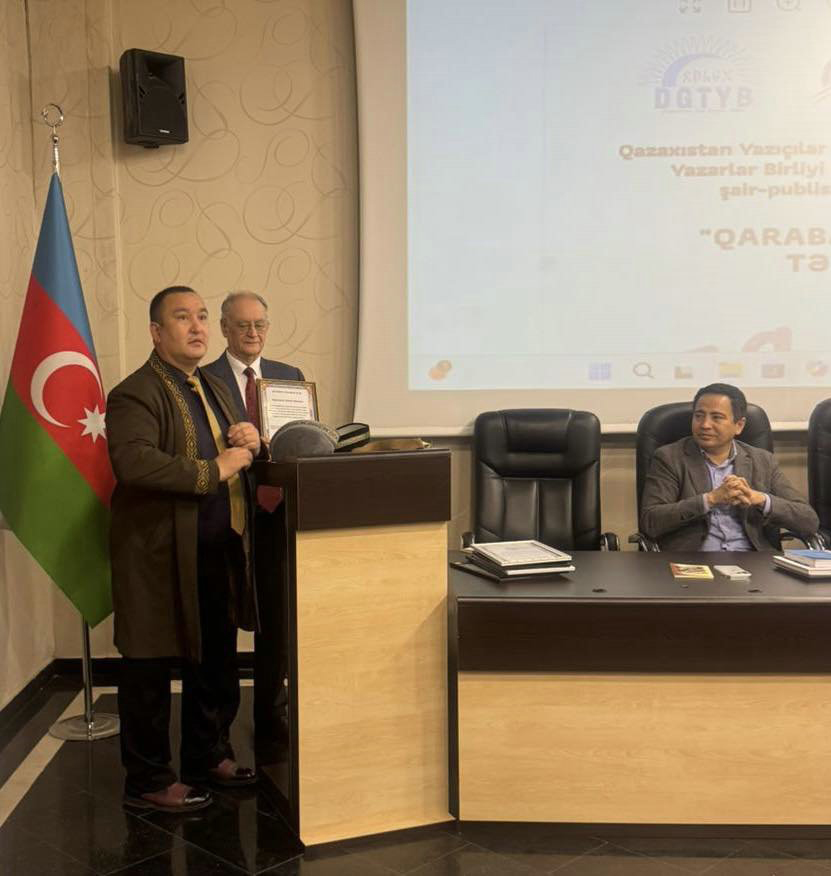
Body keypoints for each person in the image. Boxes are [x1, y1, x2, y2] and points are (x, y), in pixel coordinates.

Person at [106, 285, 263, 812]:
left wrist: (249, 439)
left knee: (215, 661)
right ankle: (148, 780)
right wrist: (215, 468)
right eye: (182, 318)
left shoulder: (211, 385)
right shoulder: (135, 392)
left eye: (201, 316)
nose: (197, 327)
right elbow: (134, 462)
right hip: (156, 555)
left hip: (215, 549)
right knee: (148, 667)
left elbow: (237, 448)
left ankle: (207, 754)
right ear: (156, 332)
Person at [639, 383, 818, 551]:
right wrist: (710, 499)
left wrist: (760, 499)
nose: (705, 425)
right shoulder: (670, 458)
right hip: (694, 561)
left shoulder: (763, 460)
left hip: (754, 560)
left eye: (716, 417)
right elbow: (650, 522)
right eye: (699, 416)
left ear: (739, 425)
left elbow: (808, 521)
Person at [202, 290, 304, 432]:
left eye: (259, 325)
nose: (253, 333)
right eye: (243, 326)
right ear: (224, 327)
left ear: (267, 327)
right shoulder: (203, 380)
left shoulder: (291, 377)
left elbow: (303, 437)